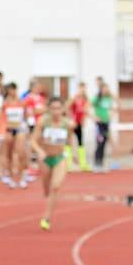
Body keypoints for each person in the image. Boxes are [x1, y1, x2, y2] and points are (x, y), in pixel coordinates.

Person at [30, 96, 76, 231]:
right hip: (45, 158)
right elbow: (33, 140)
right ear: (49, 109)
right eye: (53, 108)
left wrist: (73, 153)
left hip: (59, 158)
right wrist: (39, 151)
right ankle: (48, 197)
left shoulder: (67, 124)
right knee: (47, 190)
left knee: (55, 186)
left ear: (63, 109)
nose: (56, 111)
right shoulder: (43, 122)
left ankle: (46, 218)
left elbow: (71, 139)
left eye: (59, 108)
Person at [0, 82, 27, 188]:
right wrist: (1, 132)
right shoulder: (5, 103)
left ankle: (22, 176)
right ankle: (11, 177)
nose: (12, 92)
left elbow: (25, 116)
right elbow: (2, 118)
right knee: (8, 154)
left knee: (21, 153)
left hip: (19, 129)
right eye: (9, 90)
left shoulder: (21, 102)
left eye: (13, 89)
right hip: (8, 130)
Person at [91, 83, 116, 172]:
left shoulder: (108, 99)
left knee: (104, 142)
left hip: (106, 123)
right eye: (104, 89)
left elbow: (116, 107)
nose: (105, 90)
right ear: (101, 90)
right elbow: (87, 108)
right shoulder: (97, 99)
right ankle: (96, 163)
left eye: (107, 88)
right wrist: (94, 117)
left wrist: (111, 115)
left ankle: (101, 163)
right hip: (99, 124)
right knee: (99, 142)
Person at [66, 82, 90, 171]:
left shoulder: (86, 99)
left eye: (84, 88)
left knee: (80, 142)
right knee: (69, 142)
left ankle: (83, 164)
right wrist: (70, 120)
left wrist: (84, 120)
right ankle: (68, 164)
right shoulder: (74, 98)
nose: (82, 90)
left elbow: (85, 111)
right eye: (81, 88)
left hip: (79, 123)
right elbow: (67, 107)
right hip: (72, 123)